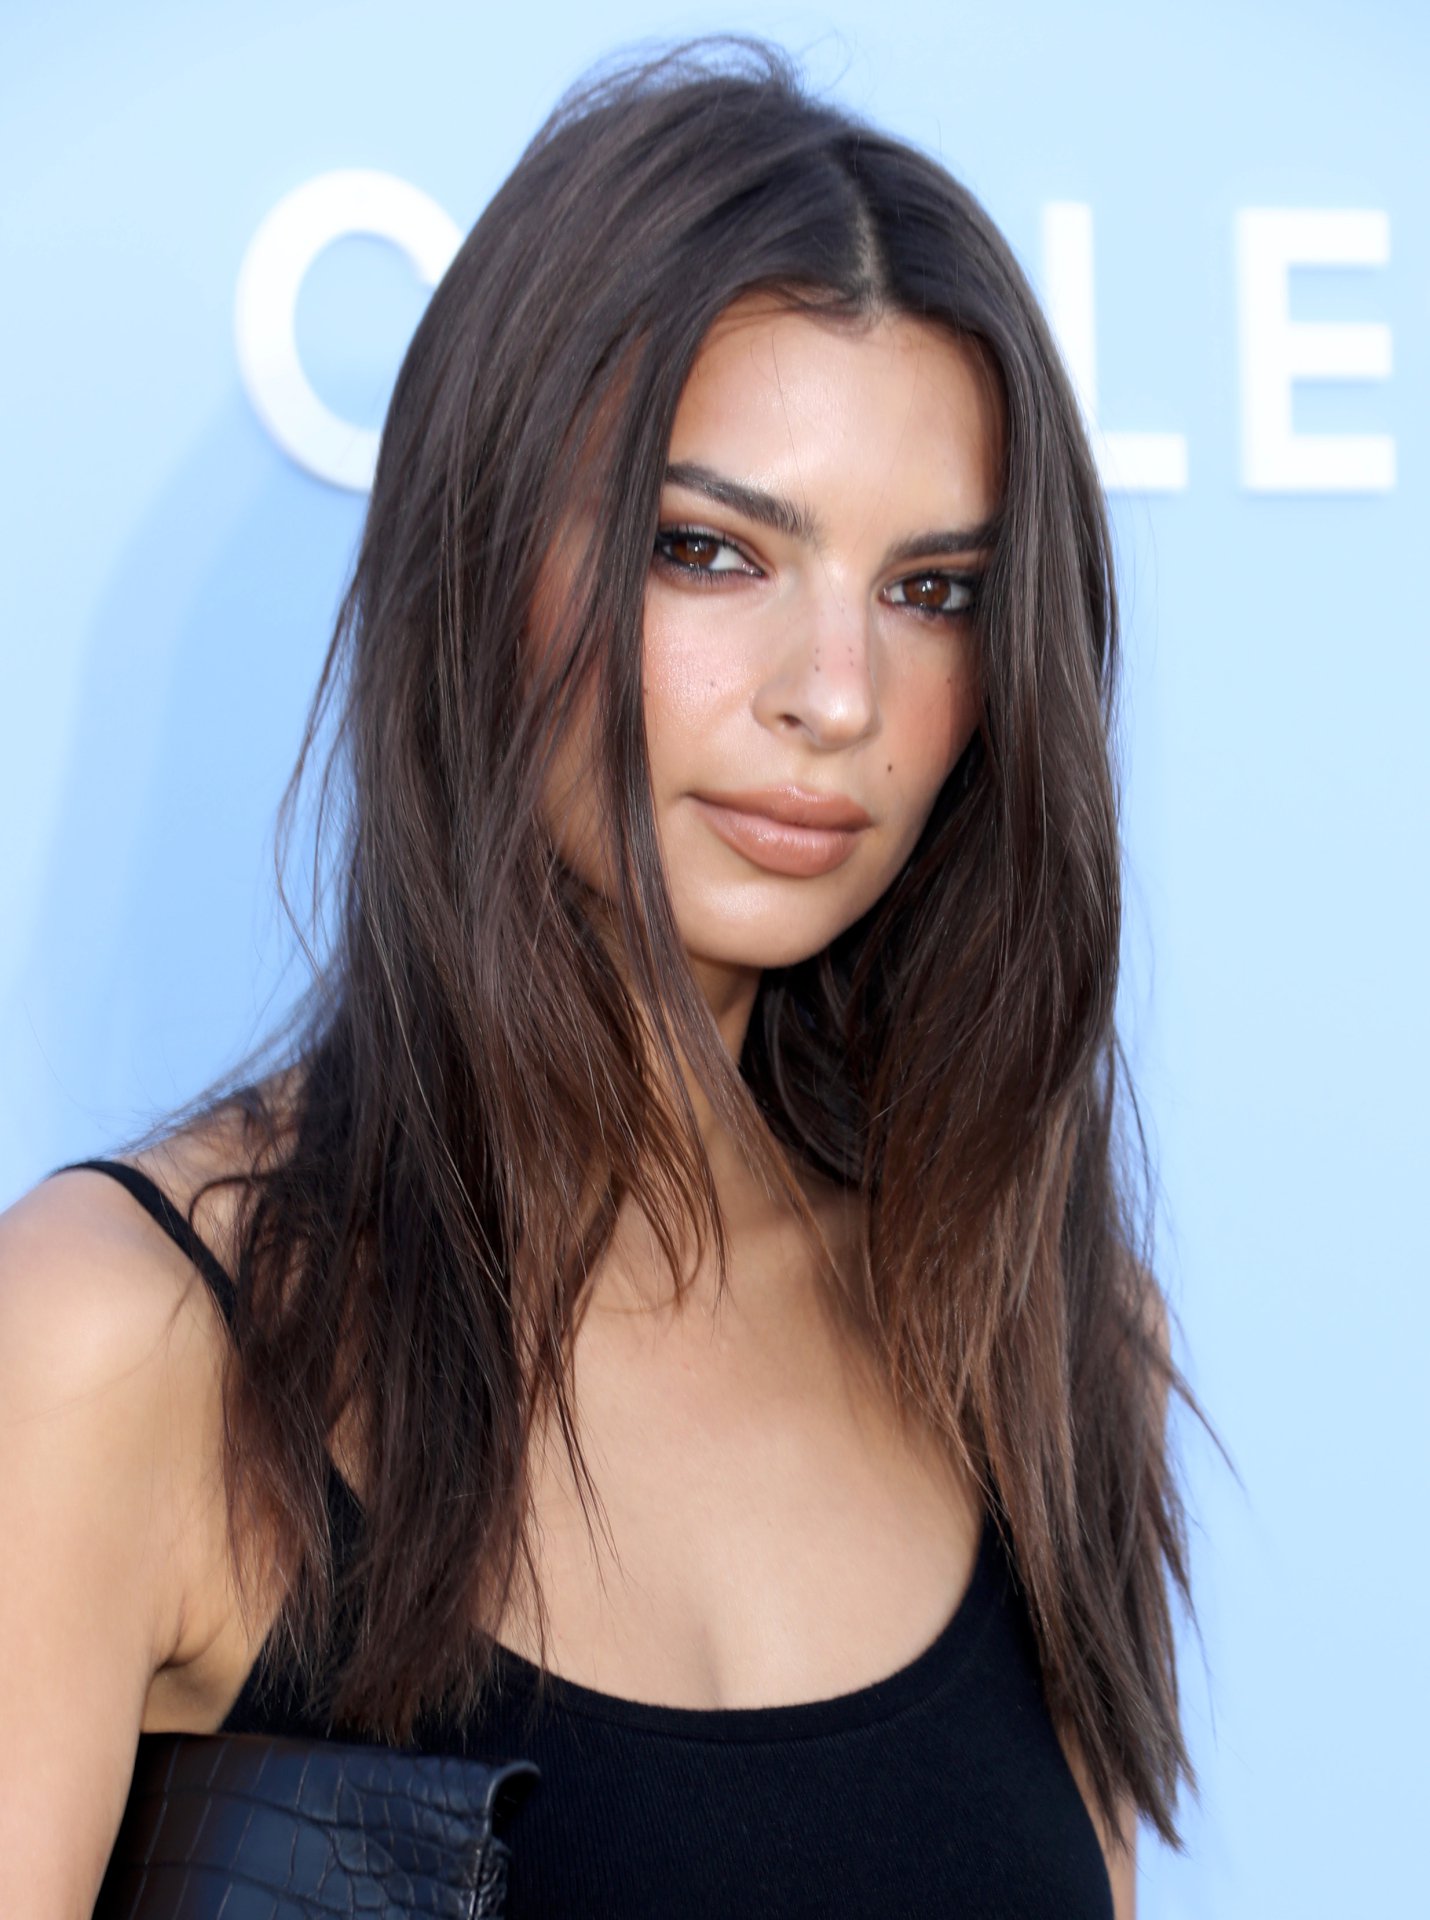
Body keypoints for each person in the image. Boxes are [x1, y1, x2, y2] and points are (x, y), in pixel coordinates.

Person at [0, 40, 1196, 1919]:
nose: (835, 697)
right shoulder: (121, 1342)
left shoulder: (1032, 1331)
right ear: (485, 563)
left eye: (930, 591)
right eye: (707, 551)